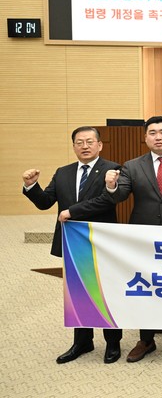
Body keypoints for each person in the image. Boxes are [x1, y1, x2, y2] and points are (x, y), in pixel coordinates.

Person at [22, 126, 122, 364]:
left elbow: (107, 201)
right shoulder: (63, 172)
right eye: (79, 142)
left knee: (106, 293)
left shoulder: (112, 169)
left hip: (101, 240)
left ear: (99, 145)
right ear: (74, 146)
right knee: (78, 293)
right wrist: (31, 186)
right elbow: (45, 202)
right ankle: (83, 342)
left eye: (89, 141)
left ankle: (113, 343)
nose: (84, 146)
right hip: (72, 242)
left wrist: (72, 211)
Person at [105, 115, 162, 363]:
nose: (158, 137)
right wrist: (112, 186)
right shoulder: (132, 165)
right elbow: (120, 196)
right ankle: (146, 339)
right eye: (153, 133)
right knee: (145, 288)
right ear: (145, 138)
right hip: (143, 238)